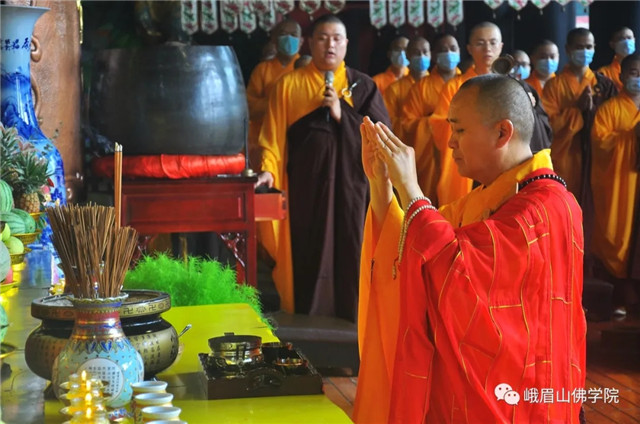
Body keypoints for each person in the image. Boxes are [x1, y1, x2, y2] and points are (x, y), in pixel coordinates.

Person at [354, 74, 586, 423]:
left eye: (459, 130)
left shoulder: (544, 208)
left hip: (525, 395)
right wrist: (382, 186)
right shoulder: (491, 196)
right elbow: (415, 243)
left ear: (502, 133)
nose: (450, 142)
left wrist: (411, 189)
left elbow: (458, 271)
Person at [255, 14, 390, 319]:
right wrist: (268, 170)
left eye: (336, 38)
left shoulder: (362, 86)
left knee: (352, 247)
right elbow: (272, 138)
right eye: (322, 38)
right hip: (305, 186)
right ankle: (307, 314)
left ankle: (354, 312)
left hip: (351, 188)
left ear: (346, 44)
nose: (330, 45)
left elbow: (383, 137)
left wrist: (343, 115)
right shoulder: (288, 85)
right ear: (309, 43)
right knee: (307, 248)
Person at [429, 21, 503, 206]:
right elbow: (439, 124)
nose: (487, 48)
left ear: (501, 46)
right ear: (469, 49)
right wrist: (477, 128)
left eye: (493, 42)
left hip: (500, 161)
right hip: (465, 165)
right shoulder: (454, 87)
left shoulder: (508, 86)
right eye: (480, 43)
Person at [542, 27, 617, 202]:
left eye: (588, 47)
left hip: (596, 158)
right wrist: (577, 110)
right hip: (566, 158)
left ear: (594, 48)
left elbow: (612, 121)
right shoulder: (554, 85)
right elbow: (549, 126)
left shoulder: (604, 85)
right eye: (579, 47)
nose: (584, 51)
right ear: (568, 49)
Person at [591, 53, 640, 315]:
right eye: (634, 73)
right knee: (618, 235)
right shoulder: (609, 109)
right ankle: (621, 296)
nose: (638, 78)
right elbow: (600, 143)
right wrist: (631, 137)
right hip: (621, 185)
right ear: (621, 76)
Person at [401, 33, 462, 203]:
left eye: (453, 49)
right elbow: (407, 124)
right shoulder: (420, 88)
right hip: (430, 162)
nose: (449, 53)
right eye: (443, 50)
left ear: (460, 51)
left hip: (463, 154)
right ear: (434, 55)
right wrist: (434, 123)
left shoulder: (467, 84)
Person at [246, 19, 303, 169]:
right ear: (274, 40)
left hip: (298, 139)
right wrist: (277, 102)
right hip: (266, 139)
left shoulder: (306, 68)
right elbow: (250, 108)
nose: (289, 39)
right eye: (283, 34)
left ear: (301, 41)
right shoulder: (262, 70)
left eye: (293, 35)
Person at [382, 37, 430, 138]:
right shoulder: (394, 89)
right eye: (416, 53)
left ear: (431, 55)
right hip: (405, 143)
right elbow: (388, 122)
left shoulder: (439, 85)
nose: (421, 56)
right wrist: (410, 122)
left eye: (425, 52)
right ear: (407, 56)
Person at [598, 27, 636, 91]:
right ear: (612, 44)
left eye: (629, 38)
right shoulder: (603, 73)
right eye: (621, 39)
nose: (626, 42)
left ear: (634, 40)